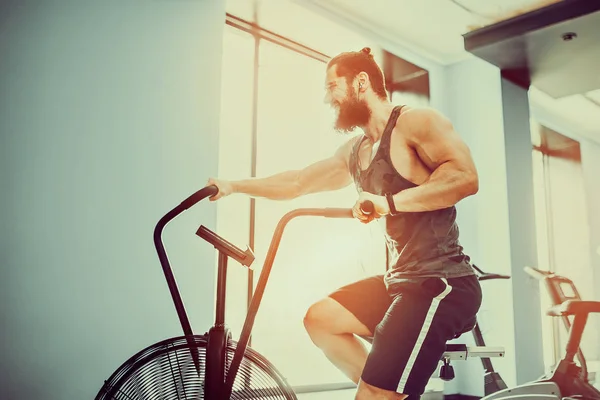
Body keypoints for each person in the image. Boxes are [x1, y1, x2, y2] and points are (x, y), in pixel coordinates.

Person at [207, 47, 482, 400]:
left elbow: (464, 177)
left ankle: (382, 391)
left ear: (361, 82)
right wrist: (233, 186)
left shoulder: (416, 122)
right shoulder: (356, 151)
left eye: (332, 86)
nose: (327, 98)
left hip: (442, 283)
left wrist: (389, 203)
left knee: (373, 394)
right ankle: (389, 388)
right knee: (321, 319)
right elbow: (298, 182)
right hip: (400, 281)